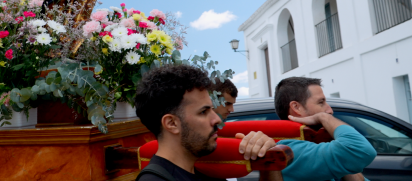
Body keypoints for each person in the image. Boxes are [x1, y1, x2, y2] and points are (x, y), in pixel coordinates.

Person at [135, 65, 282, 181]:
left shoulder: (208, 172)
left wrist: (268, 164)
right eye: (203, 112)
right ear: (172, 123)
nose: (217, 119)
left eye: (212, 109)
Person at [274, 77, 376, 181]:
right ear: (296, 107)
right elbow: (362, 150)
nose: (330, 110)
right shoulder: (292, 150)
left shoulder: (315, 142)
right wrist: (323, 117)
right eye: (321, 102)